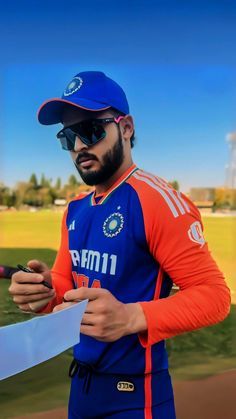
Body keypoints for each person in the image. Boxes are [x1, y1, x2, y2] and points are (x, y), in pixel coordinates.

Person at [9, 71, 231, 419]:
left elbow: (214, 295)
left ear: (125, 128)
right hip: (81, 387)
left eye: (91, 130)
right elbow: (67, 287)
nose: (80, 146)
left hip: (135, 396)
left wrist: (132, 316)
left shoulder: (156, 201)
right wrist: (44, 292)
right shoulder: (75, 209)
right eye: (68, 137)